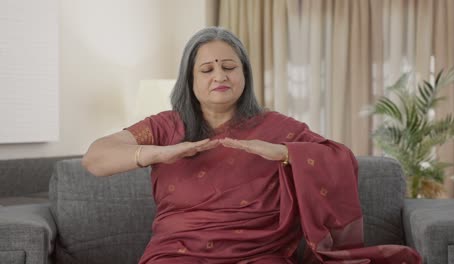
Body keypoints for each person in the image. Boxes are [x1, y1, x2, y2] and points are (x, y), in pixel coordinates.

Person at [82, 27, 421, 264]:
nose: (220, 76)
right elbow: (96, 158)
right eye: (207, 69)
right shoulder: (164, 126)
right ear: (190, 80)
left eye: (229, 67)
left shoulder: (278, 128)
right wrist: (159, 153)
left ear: (244, 75)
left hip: (259, 254)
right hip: (176, 252)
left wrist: (288, 154)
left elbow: (339, 159)